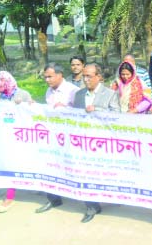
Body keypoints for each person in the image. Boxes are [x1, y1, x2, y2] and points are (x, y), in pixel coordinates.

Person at [73, 63, 121, 223]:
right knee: (85, 173)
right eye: (84, 76)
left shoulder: (110, 94)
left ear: (99, 77)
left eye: (89, 76)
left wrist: (97, 111)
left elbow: (117, 116)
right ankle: (91, 206)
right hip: (83, 141)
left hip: (102, 142)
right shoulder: (79, 95)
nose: (85, 79)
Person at [35, 62, 80, 215]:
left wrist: (66, 109)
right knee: (50, 164)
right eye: (45, 77)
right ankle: (53, 199)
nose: (47, 80)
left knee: (72, 166)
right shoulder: (49, 91)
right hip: (53, 135)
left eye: (50, 76)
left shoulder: (73, 91)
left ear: (60, 75)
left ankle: (82, 197)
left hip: (71, 137)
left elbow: (81, 114)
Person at [0, 70, 33, 213]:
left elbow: (33, 113)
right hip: (8, 136)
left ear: (3, 82)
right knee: (10, 163)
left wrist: (23, 105)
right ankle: (9, 197)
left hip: (23, 136)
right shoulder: (2, 95)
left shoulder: (23, 94)